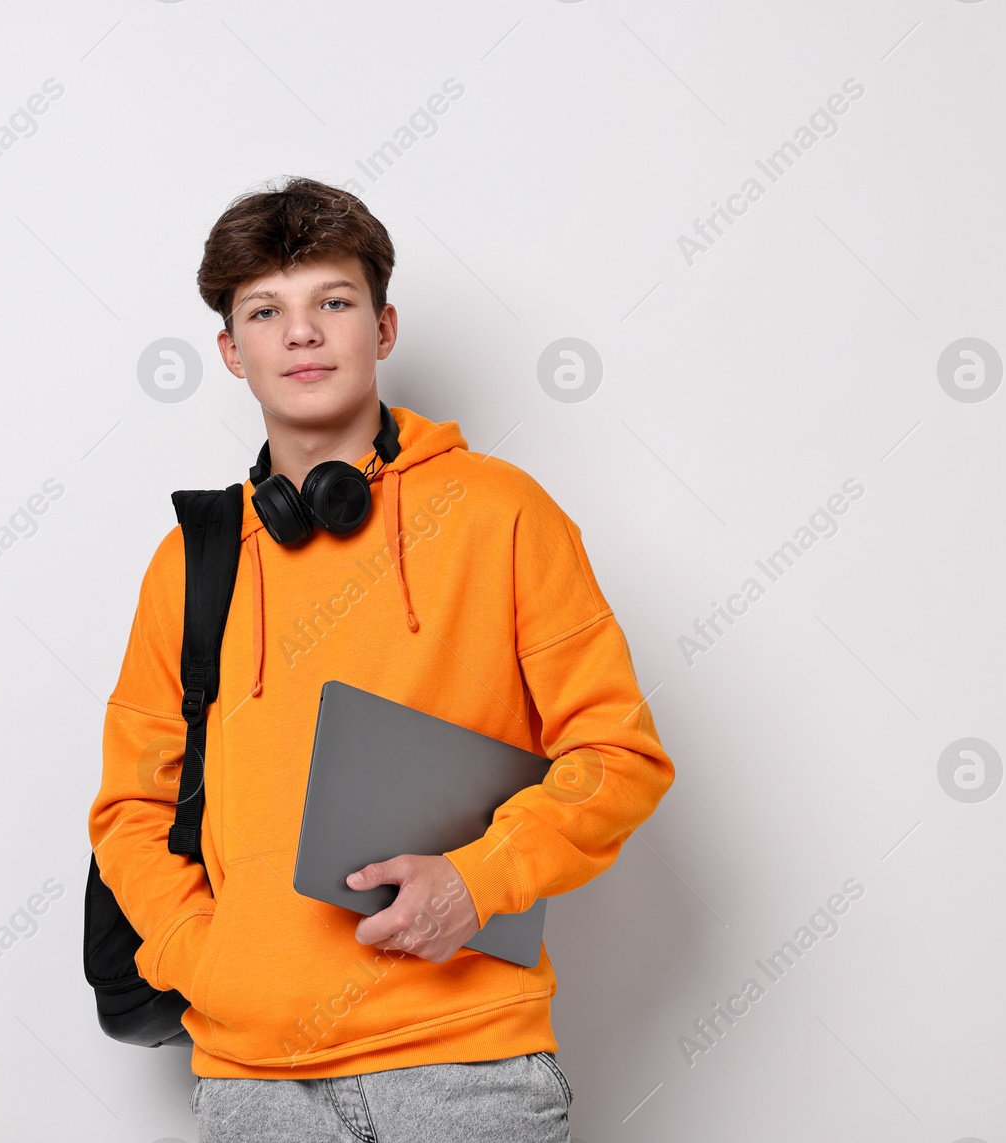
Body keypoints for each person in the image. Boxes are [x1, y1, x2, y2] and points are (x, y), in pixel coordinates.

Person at [88, 176, 675, 1142]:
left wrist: (478, 882)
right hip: (254, 1083)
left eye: (334, 301)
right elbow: (129, 810)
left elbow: (619, 758)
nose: (302, 333)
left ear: (385, 327)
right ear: (232, 352)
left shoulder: (503, 514)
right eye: (266, 311)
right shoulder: (192, 561)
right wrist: (210, 955)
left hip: (467, 1067)